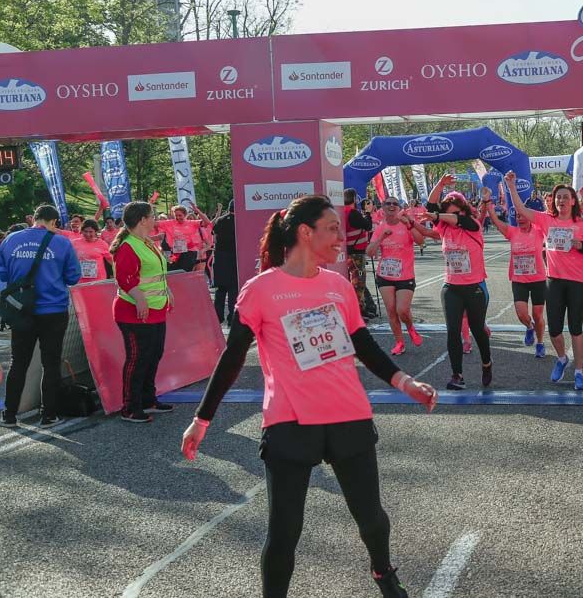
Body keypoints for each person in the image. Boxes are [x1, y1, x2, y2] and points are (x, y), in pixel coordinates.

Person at [181, 195, 437, 598]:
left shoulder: (338, 287)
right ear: (305, 232)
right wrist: (202, 419)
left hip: (348, 414)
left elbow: (364, 345)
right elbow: (232, 358)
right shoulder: (261, 290)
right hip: (290, 421)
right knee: (284, 533)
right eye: (332, 229)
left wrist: (406, 383)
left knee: (372, 519)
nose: (340, 237)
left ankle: (384, 573)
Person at [505, 171, 583, 391]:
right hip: (554, 281)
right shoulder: (546, 220)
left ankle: (579, 371)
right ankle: (562, 358)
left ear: (573, 201)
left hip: (578, 282)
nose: (561, 200)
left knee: (575, 328)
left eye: (565, 197)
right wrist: (511, 186)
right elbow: (521, 210)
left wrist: (581, 246)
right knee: (554, 329)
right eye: (558, 197)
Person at [0, 205, 81, 428]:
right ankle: (48, 415)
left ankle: (9, 414)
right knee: (51, 364)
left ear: (34, 219)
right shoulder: (62, 242)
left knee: (18, 363)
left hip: (21, 310)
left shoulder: (11, 240)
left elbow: (2, 274)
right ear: (53, 222)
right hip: (53, 310)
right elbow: (73, 277)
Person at [420, 175, 492, 391]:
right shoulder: (443, 228)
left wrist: (440, 215)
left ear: (463, 211)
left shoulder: (473, 225)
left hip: (474, 287)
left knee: (478, 330)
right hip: (451, 288)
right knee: (453, 331)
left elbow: (459, 220)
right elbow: (431, 206)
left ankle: (486, 363)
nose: (452, 217)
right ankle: (457, 375)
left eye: (456, 213)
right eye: (449, 213)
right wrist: (440, 185)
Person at [110, 201, 174, 423]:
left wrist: (167, 292)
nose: (155, 219)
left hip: (155, 309)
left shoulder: (145, 242)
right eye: (152, 216)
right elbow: (125, 278)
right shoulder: (128, 245)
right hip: (134, 313)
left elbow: (156, 274)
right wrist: (139, 299)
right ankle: (130, 407)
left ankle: (148, 399)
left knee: (153, 355)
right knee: (137, 359)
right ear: (143, 220)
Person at [482, 187, 547, 359]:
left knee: (538, 315)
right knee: (521, 314)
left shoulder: (539, 231)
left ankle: (540, 343)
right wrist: (487, 201)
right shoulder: (512, 232)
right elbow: (495, 219)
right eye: (517, 216)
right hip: (519, 279)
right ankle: (529, 327)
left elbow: (551, 220)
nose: (520, 218)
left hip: (538, 279)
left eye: (522, 215)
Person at [366, 196, 431, 356]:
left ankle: (410, 328)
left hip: (405, 275)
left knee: (402, 310)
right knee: (391, 311)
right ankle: (399, 343)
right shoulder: (380, 228)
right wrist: (382, 237)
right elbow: (370, 252)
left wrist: (409, 226)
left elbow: (421, 241)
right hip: (385, 275)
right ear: (383, 207)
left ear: (399, 208)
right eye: (388, 203)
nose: (391, 206)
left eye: (395, 204)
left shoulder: (405, 224)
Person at [344, 189, 377, 319]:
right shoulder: (353, 213)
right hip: (357, 254)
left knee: (356, 281)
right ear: (354, 199)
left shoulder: (343, 212)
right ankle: (358, 311)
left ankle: (361, 309)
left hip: (349, 252)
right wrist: (368, 213)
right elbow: (368, 226)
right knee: (359, 282)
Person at [159, 204, 210, 272]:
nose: (178, 217)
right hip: (175, 253)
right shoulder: (171, 223)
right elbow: (155, 224)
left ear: (185, 215)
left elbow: (207, 222)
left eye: (180, 215)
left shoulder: (192, 223)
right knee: (171, 270)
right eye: (176, 215)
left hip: (189, 253)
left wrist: (198, 211)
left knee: (185, 273)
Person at [212, 200, 238, 325]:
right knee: (233, 291)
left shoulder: (220, 220)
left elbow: (214, 233)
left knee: (220, 291)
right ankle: (231, 318)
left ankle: (218, 317)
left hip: (220, 259)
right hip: (233, 259)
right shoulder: (239, 221)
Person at [72, 219, 113, 284]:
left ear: (96, 231)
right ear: (82, 231)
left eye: (91, 232)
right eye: (85, 231)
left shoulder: (102, 244)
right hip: (80, 281)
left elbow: (111, 261)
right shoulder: (74, 243)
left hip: (98, 281)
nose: (88, 234)